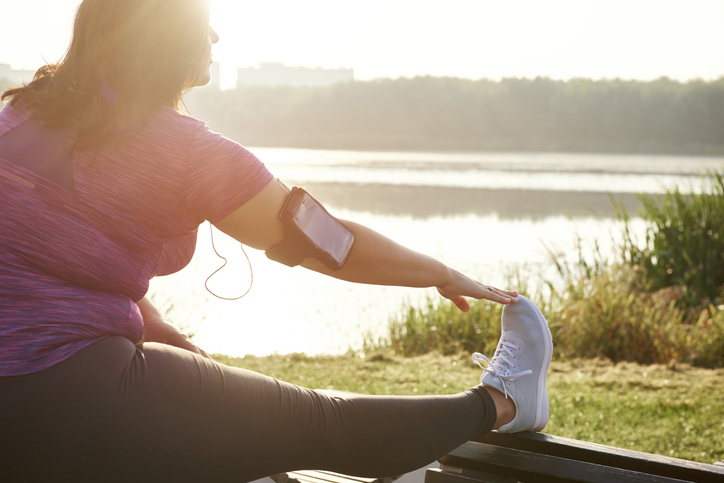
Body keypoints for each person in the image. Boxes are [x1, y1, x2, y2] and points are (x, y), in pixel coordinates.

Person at [0, 0, 553, 481]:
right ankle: (505, 400)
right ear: (164, 39)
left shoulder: (19, 115)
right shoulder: (188, 153)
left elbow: (45, 255)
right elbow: (332, 245)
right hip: (69, 397)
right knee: (328, 423)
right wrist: (441, 272)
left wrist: (153, 323)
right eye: (204, 24)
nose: (214, 38)